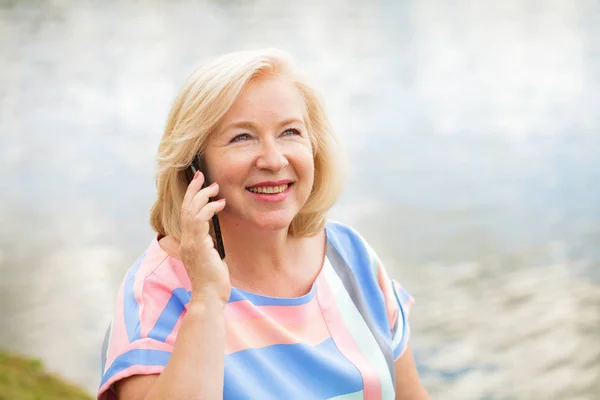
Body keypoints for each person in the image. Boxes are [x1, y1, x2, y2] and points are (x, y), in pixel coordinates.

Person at [98, 48, 428, 400]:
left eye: (289, 132)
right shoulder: (157, 292)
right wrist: (207, 299)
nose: (273, 159)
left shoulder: (352, 258)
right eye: (242, 137)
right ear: (194, 167)